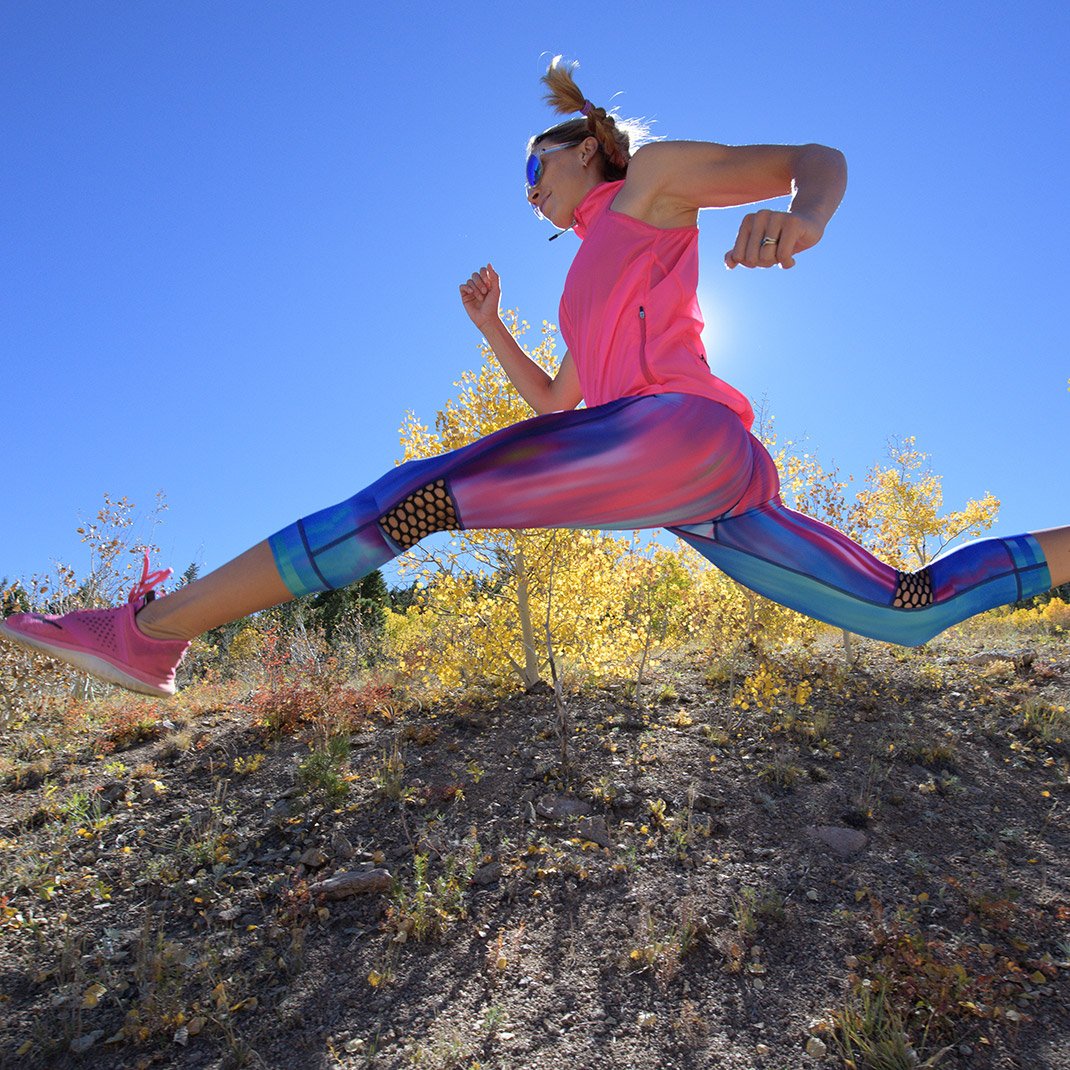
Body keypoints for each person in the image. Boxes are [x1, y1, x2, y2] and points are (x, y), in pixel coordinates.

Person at [2, 58, 1067, 698]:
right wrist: (489, 329)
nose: (527, 192)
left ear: (584, 148)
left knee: (408, 497)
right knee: (906, 609)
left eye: (533, 169)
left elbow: (810, 154)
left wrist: (804, 216)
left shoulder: (648, 185)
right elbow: (560, 410)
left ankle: (148, 633)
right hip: (704, 488)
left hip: (679, 438)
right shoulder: (585, 278)